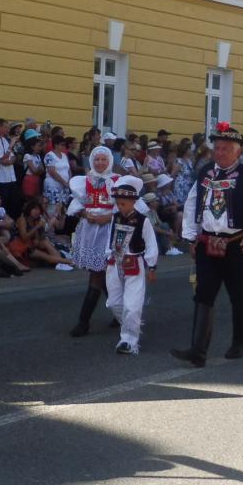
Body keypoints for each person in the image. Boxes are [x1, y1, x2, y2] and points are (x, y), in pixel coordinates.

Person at [172, 123, 243, 365]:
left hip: (236, 245)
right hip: (207, 243)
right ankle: (198, 350)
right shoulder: (205, 172)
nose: (220, 152)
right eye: (217, 148)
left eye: (226, 148)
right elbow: (192, 203)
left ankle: (239, 343)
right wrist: (191, 236)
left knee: (238, 296)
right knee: (203, 294)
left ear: (238, 151)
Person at [66, 145, 118, 336]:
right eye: (97, 159)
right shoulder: (85, 181)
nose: (100, 163)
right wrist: (84, 213)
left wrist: (108, 217)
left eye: (104, 159)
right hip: (90, 231)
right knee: (99, 272)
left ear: (110, 161)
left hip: (108, 231)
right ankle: (119, 312)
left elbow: (126, 208)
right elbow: (76, 205)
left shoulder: (117, 181)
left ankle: (84, 322)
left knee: (99, 273)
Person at [103, 177, 158, 355]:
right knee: (114, 302)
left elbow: (151, 244)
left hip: (134, 264)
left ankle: (128, 340)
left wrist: (152, 267)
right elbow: (110, 238)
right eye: (118, 204)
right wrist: (108, 257)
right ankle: (131, 324)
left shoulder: (143, 221)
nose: (120, 207)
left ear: (133, 202)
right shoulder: (115, 217)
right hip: (114, 263)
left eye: (123, 204)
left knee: (132, 304)